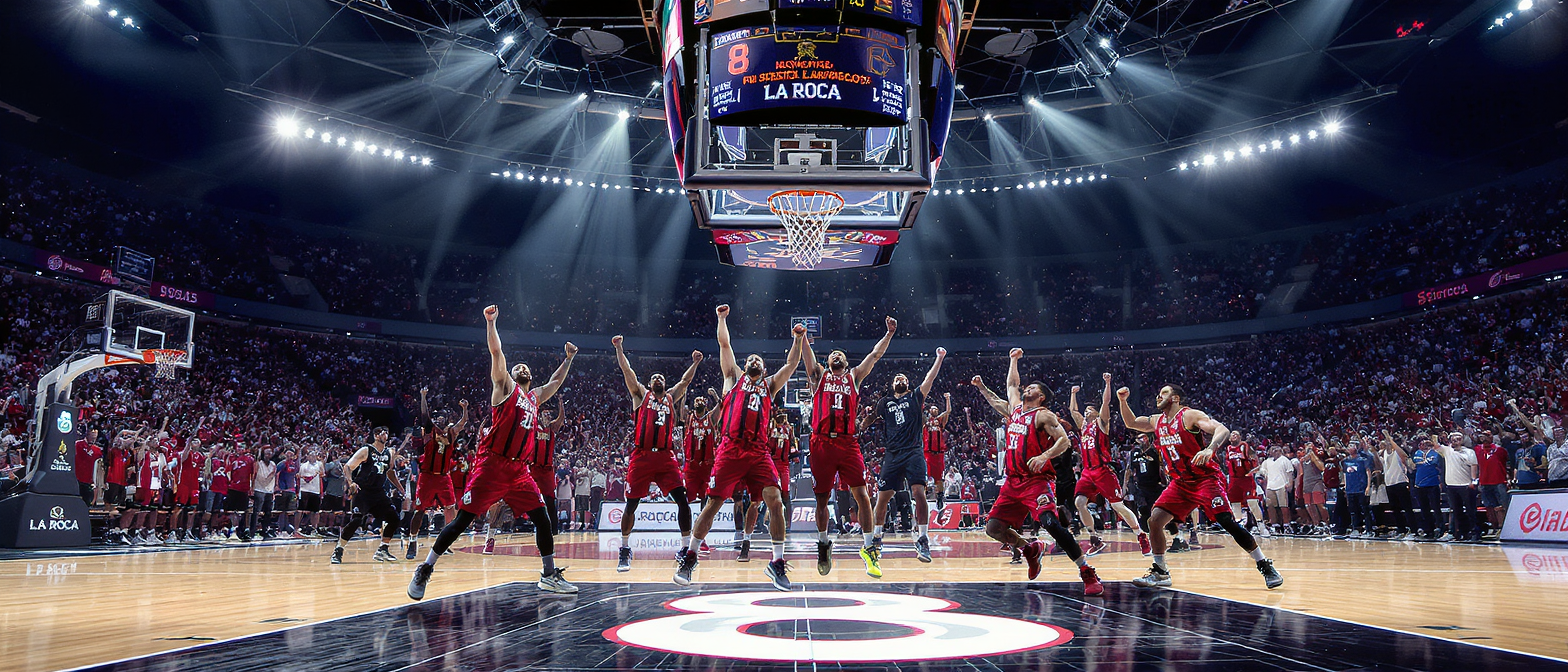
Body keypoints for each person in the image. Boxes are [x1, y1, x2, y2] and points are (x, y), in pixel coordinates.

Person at [408, 305, 578, 599]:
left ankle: (549, 574)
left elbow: (556, 382)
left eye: (526, 367)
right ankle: (425, 568)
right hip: (492, 466)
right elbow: (497, 353)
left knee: (542, 518)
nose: (521, 367)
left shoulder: (534, 397)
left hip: (520, 471)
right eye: (518, 366)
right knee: (462, 520)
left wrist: (569, 358)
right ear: (512, 374)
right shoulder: (504, 387)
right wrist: (491, 323)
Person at [673, 305, 806, 591]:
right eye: (751, 358)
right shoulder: (732, 379)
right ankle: (690, 557)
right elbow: (724, 343)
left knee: (776, 501)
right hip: (731, 449)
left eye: (759, 358)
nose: (755, 360)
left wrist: (797, 339)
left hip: (759, 452)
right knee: (713, 503)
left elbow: (792, 365)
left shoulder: (770, 385)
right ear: (745, 365)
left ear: (764, 367)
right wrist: (721, 319)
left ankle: (777, 563)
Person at [1117, 382, 1283, 590]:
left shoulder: (1189, 416)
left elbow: (1221, 429)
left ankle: (1264, 564)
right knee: (1155, 520)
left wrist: (1211, 448)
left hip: (1204, 479)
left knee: (1227, 522)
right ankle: (1160, 571)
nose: (1159, 397)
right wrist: (1123, 401)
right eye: (1158, 394)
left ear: (1175, 398)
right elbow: (1131, 422)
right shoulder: (1157, 420)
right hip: (1180, 482)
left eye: (1164, 393)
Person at [969, 349, 1104, 596]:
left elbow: (1064, 441)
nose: (1026, 389)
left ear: (1040, 397)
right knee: (993, 528)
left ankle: (1086, 570)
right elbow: (1011, 384)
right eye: (1027, 386)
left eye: (1032, 388)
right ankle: (1029, 548)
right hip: (1012, 481)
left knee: (1051, 523)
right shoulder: (1016, 410)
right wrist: (1011, 361)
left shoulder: (1043, 415)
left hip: (1036, 482)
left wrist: (1044, 456)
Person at [799, 316, 894, 576]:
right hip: (820, 442)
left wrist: (889, 334)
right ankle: (822, 543)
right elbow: (806, 357)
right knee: (821, 500)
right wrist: (803, 337)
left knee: (862, 495)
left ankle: (868, 549)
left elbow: (874, 356)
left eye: (840, 354)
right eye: (833, 354)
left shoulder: (854, 376)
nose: (836, 355)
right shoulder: (818, 376)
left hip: (848, 442)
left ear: (846, 361)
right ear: (827, 362)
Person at [612, 335, 701, 572]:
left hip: (665, 457)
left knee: (682, 500)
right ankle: (624, 548)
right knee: (631, 505)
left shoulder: (671, 397)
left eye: (661, 377)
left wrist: (695, 363)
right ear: (650, 384)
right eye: (654, 377)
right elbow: (627, 370)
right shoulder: (641, 395)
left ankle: (684, 547)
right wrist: (620, 348)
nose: (658, 378)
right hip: (641, 456)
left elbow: (685, 381)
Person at [865, 346, 947, 564]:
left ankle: (922, 538)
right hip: (892, 454)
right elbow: (872, 416)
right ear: (892, 386)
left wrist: (939, 358)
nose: (900, 379)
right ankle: (876, 538)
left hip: (913, 452)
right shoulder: (886, 403)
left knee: (919, 493)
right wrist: (860, 425)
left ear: (908, 384)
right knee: (882, 498)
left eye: (903, 377)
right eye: (896, 378)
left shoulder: (915, 397)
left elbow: (930, 378)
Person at [1068, 373, 1152, 555]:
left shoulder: (1101, 423)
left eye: (1090, 409)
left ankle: (1140, 534)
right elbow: (1073, 411)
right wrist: (1073, 394)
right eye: (1086, 410)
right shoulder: (1083, 426)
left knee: (1117, 506)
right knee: (1079, 502)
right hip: (1087, 472)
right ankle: (1094, 538)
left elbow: (1106, 403)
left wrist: (1107, 382)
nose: (1087, 411)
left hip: (1103, 471)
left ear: (1096, 413)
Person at [406, 387, 469, 560]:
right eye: (438, 417)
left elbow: (463, 422)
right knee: (419, 510)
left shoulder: (451, 433)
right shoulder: (429, 430)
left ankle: (445, 540)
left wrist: (464, 409)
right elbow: (424, 414)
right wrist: (423, 396)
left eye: (443, 417)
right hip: (427, 476)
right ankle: (412, 541)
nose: (440, 419)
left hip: (443, 476)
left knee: (451, 508)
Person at [330, 428, 404, 563]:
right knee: (356, 521)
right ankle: (338, 550)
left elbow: (390, 472)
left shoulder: (390, 453)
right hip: (362, 490)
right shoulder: (366, 450)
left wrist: (401, 489)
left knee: (394, 518)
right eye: (382, 432)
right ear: (375, 436)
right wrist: (351, 482)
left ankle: (383, 549)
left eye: (387, 432)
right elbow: (347, 466)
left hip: (378, 492)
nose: (385, 435)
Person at [1434, 431, 1479, 542]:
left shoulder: (1469, 452)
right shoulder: (1446, 450)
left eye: (1459, 438)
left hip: (1466, 485)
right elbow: (1435, 444)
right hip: (1451, 485)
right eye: (1454, 438)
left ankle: (1475, 533)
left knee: (1470, 510)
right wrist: (1436, 435)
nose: (1457, 440)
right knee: (1457, 511)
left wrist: (1473, 481)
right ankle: (1462, 533)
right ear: (1450, 439)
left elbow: (1474, 466)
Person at [530, 398, 565, 535]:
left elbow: (560, 420)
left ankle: (554, 528)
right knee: (530, 497)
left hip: (547, 470)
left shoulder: (551, 428)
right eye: (546, 414)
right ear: (539, 415)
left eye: (550, 414)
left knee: (550, 499)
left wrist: (561, 406)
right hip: (533, 467)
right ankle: (531, 523)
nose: (548, 416)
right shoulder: (533, 426)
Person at [1223, 434, 1268, 536]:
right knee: (1235, 504)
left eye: (1236, 434)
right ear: (1229, 439)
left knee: (1252, 502)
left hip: (1246, 479)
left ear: (1240, 437)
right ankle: (1239, 527)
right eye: (1232, 434)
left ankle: (1261, 526)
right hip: (1234, 480)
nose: (1233, 435)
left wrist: (1252, 471)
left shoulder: (1245, 446)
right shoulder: (1228, 449)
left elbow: (1256, 461)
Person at [682, 392, 720, 510]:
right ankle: (687, 522)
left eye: (701, 400)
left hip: (706, 463)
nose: (699, 402)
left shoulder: (711, 418)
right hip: (691, 463)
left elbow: (721, 405)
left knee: (705, 494)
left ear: (706, 404)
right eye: (696, 400)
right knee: (687, 495)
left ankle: (703, 521)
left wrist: (714, 395)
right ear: (693, 404)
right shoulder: (689, 417)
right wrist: (684, 393)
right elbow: (680, 407)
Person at [1472, 430, 1509, 536]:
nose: (1485, 438)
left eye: (1487, 436)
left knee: (1501, 505)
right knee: (1489, 506)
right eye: (1483, 436)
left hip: (1499, 481)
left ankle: (1503, 527)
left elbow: (1507, 464)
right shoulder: (1477, 449)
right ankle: (1494, 527)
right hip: (1484, 482)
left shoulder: (1500, 450)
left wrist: (1508, 478)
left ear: (1492, 437)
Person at [1410, 434, 1446, 539]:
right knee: (1424, 509)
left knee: (1436, 508)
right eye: (1421, 442)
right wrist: (1424, 463)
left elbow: (1432, 463)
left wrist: (1424, 462)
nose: (1424, 443)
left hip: (1433, 484)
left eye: (1426, 441)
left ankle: (1440, 528)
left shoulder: (1435, 453)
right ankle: (1428, 530)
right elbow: (1417, 463)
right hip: (1420, 485)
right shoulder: (1417, 453)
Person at [924, 395, 952, 510]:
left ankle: (940, 497)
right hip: (928, 453)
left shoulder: (940, 421)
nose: (935, 410)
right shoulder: (926, 422)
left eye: (937, 409)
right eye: (933, 408)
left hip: (939, 453)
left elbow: (948, 411)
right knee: (925, 477)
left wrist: (947, 399)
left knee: (938, 478)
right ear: (930, 411)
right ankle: (923, 496)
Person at [1259, 445, 1294, 535]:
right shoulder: (1267, 462)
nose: (1274, 451)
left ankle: (1286, 525)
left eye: (1276, 449)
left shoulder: (1285, 460)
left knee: (1284, 506)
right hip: (1270, 486)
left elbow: (1290, 472)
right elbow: (1263, 472)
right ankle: (1275, 525)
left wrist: (1290, 484)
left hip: (1282, 485)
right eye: (1272, 449)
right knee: (1271, 507)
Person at [74, 428, 102, 507]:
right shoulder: (77, 445)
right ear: (87, 435)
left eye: (95, 437)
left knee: (86, 504)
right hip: (76, 479)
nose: (93, 438)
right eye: (92, 436)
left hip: (89, 481)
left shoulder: (97, 450)